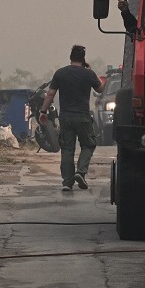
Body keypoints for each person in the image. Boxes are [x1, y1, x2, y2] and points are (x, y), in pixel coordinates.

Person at [38, 44, 102, 191]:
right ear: (83, 58)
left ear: (70, 57)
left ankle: (67, 182)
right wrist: (91, 71)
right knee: (88, 145)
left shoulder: (60, 73)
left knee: (67, 149)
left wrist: (43, 112)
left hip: (66, 118)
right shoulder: (88, 74)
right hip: (83, 118)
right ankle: (80, 172)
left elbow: (50, 94)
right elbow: (101, 89)